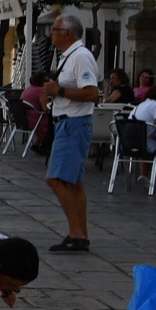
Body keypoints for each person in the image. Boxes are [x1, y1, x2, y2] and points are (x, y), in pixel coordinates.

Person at [42, 13, 100, 251]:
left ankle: (76, 233)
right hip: (67, 122)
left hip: (73, 124)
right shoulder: (69, 57)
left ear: (67, 33)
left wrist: (60, 91)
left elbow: (92, 93)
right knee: (74, 182)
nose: (51, 34)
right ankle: (81, 234)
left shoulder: (80, 57)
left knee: (55, 179)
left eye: (54, 30)